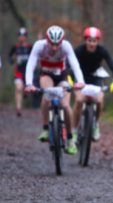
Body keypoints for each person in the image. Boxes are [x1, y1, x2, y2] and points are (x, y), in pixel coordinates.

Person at [24, 25, 85, 154]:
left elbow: (75, 65)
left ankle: (69, 140)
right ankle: (46, 128)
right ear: (47, 41)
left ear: (61, 42)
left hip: (62, 76)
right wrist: (29, 84)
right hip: (46, 75)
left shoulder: (66, 46)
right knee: (47, 96)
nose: (54, 48)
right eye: (52, 44)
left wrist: (80, 81)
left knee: (65, 105)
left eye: (57, 44)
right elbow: (30, 65)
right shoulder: (39, 46)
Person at [72, 27, 113, 142]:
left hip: (96, 77)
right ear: (85, 41)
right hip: (80, 77)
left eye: (94, 41)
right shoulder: (78, 50)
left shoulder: (102, 50)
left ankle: (95, 124)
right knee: (78, 101)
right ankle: (73, 131)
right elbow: (69, 64)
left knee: (99, 101)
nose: (92, 44)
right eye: (89, 40)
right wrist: (69, 78)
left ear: (97, 42)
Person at [8, 27, 32, 117]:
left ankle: (25, 93)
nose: (21, 38)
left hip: (28, 72)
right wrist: (10, 60)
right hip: (18, 72)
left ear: (26, 37)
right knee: (19, 88)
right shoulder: (15, 47)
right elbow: (9, 55)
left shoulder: (30, 47)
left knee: (26, 89)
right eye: (20, 36)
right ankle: (18, 108)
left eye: (23, 36)